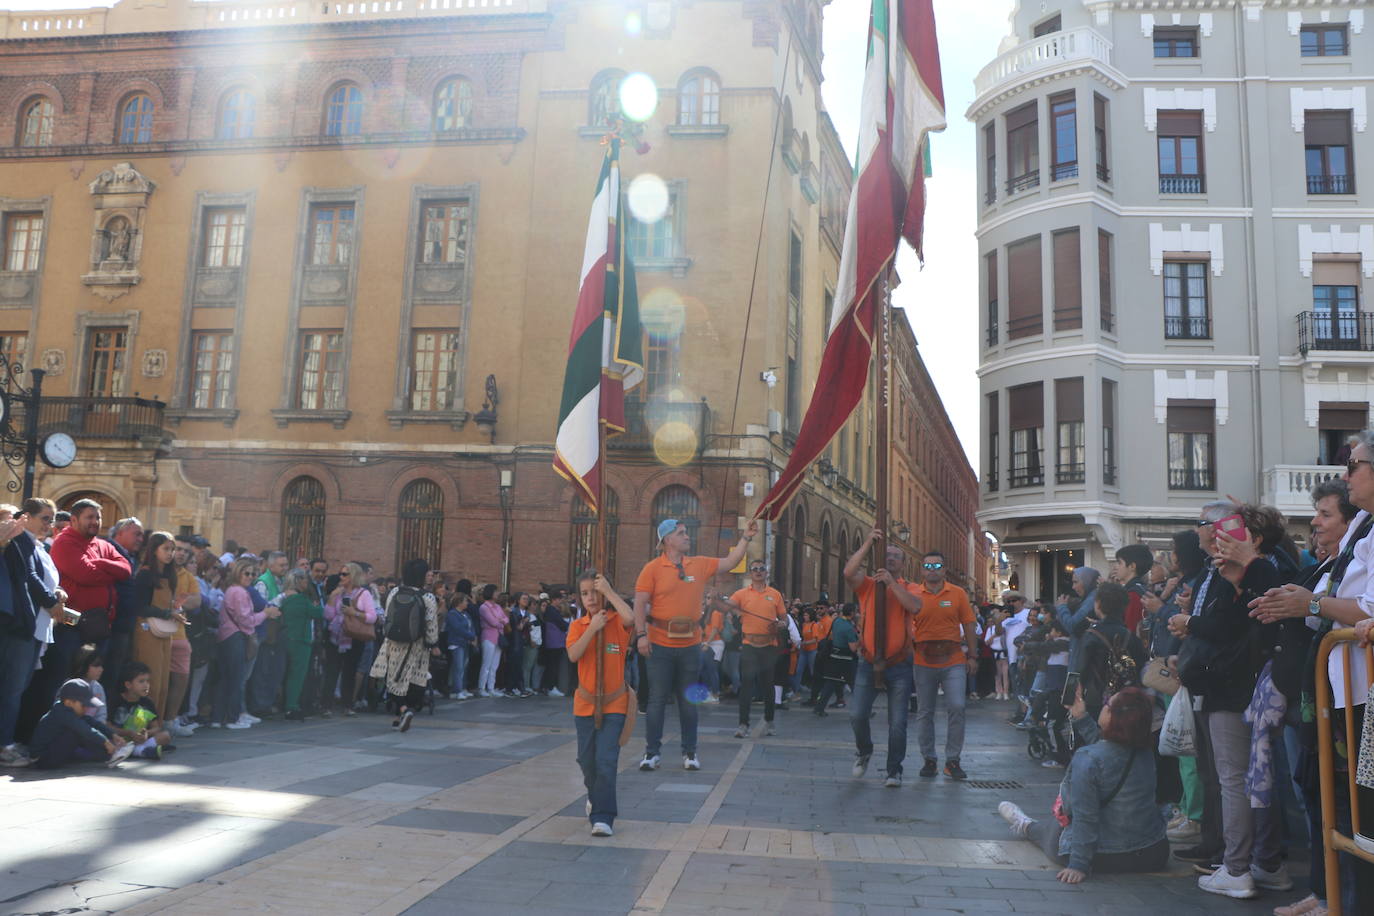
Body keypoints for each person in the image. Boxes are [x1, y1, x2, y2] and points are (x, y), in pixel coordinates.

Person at [1169, 503, 1284, 900]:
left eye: (1223, 532)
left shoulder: (1259, 572)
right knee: (1255, 780)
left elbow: (1232, 626)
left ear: (1250, 540)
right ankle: (1259, 862)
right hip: (1243, 686)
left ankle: (1238, 866)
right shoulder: (1242, 574)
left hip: (1236, 687)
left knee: (1236, 780)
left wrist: (1194, 622)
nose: (1217, 542)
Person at [997, 687, 1168, 882]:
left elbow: (1085, 815)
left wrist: (1078, 864)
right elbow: (1112, 754)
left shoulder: (1087, 758)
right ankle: (1030, 826)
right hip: (1151, 852)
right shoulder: (1145, 752)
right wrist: (1082, 718)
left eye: (1107, 704)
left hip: (1104, 856)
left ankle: (1026, 825)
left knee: (1054, 829)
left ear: (1115, 717)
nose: (1103, 707)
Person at [633, 517, 757, 772]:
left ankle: (690, 753)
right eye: (681, 533)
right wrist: (640, 635)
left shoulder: (699, 564)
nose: (687, 536)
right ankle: (651, 753)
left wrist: (746, 538)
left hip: (690, 644)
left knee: (688, 701)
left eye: (686, 532)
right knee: (656, 700)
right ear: (667, 540)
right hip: (659, 643)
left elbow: (730, 562)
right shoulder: (652, 568)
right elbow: (639, 603)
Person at [842, 527, 923, 788]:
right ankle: (864, 750)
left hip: (899, 664)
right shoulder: (867, 586)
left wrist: (891, 583)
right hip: (867, 662)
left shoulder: (910, 587)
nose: (890, 558)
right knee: (857, 714)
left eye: (895, 556)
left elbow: (914, 607)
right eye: (885, 554)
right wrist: (867, 543)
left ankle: (893, 770)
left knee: (897, 723)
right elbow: (848, 572)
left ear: (903, 563)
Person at [567, 570, 635, 837]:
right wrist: (592, 628)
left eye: (594, 592)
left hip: (614, 704)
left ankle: (603, 817)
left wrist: (608, 591)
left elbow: (631, 618)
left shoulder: (617, 621)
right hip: (584, 705)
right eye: (585, 593)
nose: (590, 598)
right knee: (587, 761)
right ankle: (595, 795)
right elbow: (573, 655)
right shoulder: (577, 626)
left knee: (606, 760)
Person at [908, 549, 978, 780]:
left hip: (954, 659)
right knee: (925, 711)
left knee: (957, 707)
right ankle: (929, 759)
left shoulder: (957, 594)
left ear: (944, 569)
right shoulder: (914, 593)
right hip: (923, 660)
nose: (932, 570)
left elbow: (968, 625)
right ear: (922, 570)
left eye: (936, 566)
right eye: (927, 566)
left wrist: (973, 656)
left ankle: (952, 760)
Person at [371, 558, 441, 732]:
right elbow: (431, 624)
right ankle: (405, 710)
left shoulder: (394, 591)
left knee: (393, 678)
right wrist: (433, 644)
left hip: (393, 642)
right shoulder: (428, 597)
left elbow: (388, 616)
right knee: (413, 681)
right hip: (417, 645)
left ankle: (399, 715)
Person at [721, 559, 787, 738]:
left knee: (767, 686)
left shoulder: (775, 594)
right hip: (749, 645)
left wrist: (782, 623)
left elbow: (784, 618)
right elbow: (726, 607)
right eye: (755, 569)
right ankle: (743, 725)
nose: (758, 571)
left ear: (766, 573)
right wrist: (720, 601)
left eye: (761, 569)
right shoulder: (741, 594)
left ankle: (770, 720)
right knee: (747, 685)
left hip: (769, 646)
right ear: (750, 573)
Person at [130, 531, 190, 724]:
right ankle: (139, 729)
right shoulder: (145, 574)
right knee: (149, 685)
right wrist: (167, 614)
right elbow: (140, 606)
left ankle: (156, 729)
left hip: (165, 633)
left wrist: (175, 609)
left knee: (163, 685)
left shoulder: (170, 575)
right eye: (166, 549)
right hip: (147, 632)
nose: (170, 553)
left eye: (172, 549)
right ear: (154, 550)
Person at [216, 558, 279, 729]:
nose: (250, 577)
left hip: (229, 636)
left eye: (253, 574)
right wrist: (265, 613)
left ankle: (221, 717)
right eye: (247, 573)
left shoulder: (234, 590)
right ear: (238, 572)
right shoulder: (239, 592)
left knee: (229, 678)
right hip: (235, 636)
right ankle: (232, 718)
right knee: (236, 678)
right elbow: (246, 620)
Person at [1078, 583, 1146, 720]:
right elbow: (1141, 665)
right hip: (1126, 699)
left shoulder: (1091, 634)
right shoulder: (1131, 636)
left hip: (1096, 699)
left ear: (1098, 604)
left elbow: (1079, 670)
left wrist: (1070, 698)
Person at [30, 679, 128, 769]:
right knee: (79, 732)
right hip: (42, 758)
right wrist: (105, 742)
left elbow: (93, 722)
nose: (86, 709)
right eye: (84, 705)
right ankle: (110, 756)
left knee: (86, 724)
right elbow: (85, 729)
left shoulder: (70, 711)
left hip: (53, 751)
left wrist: (113, 735)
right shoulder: (61, 712)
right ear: (69, 703)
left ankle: (108, 754)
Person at [322, 562, 377, 715]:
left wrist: (355, 613)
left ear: (353, 576)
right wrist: (332, 597)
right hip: (335, 636)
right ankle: (326, 705)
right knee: (332, 671)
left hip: (353, 637)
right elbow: (328, 616)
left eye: (345, 574)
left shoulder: (363, 594)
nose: (341, 577)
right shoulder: (338, 592)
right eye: (340, 573)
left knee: (350, 672)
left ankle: (348, 704)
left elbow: (372, 617)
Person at [247, 551, 290, 719]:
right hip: (266, 633)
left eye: (286, 564)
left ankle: (268, 703)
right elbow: (261, 608)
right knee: (262, 669)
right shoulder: (263, 583)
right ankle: (258, 705)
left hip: (278, 631)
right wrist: (283, 597)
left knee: (275, 669)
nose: (285, 568)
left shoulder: (283, 581)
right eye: (281, 565)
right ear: (271, 566)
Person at [278, 569, 324, 720]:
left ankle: (288, 704)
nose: (307, 583)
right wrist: (320, 604)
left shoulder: (285, 597)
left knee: (288, 674)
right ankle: (292, 706)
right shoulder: (301, 599)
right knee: (297, 675)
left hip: (287, 638)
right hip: (301, 640)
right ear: (298, 581)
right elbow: (318, 613)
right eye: (305, 580)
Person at [109, 661, 173, 759]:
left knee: (165, 736)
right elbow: (108, 726)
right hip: (120, 740)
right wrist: (129, 733)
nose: (146, 685)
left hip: (140, 741)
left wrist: (146, 734)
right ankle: (141, 751)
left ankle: (136, 751)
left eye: (148, 681)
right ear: (128, 685)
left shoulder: (147, 702)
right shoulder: (116, 700)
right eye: (141, 681)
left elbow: (156, 727)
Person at [813, 604, 858, 716]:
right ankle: (864, 710)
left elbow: (831, 637)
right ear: (852, 613)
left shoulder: (837, 621)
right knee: (855, 685)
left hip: (834, 657)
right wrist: (860, 639)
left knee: (830, 683)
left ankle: (819, 707)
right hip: (846, 660)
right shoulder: (849, 628)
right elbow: (853, 648)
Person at [476, 585, 507, 697]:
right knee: (486, 664)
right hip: (488, 637)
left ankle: (491, 687)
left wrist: (500, 620)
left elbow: (506, 619)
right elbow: (493, 622)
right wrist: (500, 621)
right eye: (495, 592)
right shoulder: (484, 607)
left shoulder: (498, 606)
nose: (497, 594)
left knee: (495, 665)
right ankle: (481, 687)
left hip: (499, 636)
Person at [446, 591, 477, 700]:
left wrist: (473, 636)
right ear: (459, 602)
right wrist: (471, 637)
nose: (467, 603)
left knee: (464, 666)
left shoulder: (466, 614)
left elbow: (471, 626)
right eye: (465, 601)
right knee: (458, 667)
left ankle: (463, 688)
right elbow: (458, 628)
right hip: (456, 643)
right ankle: (456, 690)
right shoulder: (452, 614)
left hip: (466, 643)